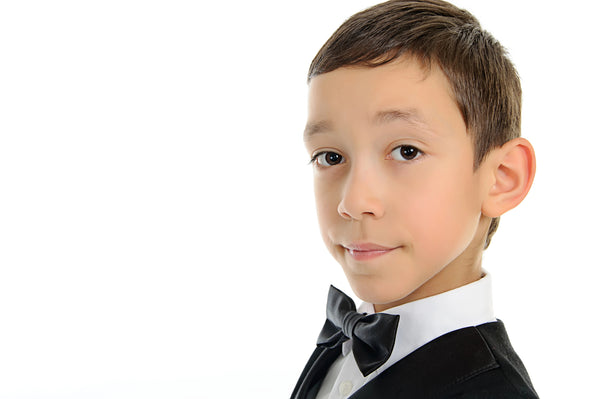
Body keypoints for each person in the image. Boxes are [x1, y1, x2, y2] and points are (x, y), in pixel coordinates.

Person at [291, 0, 539, 398]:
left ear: (501, 178)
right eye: (331, 157)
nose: (353, 202)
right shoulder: (342, 345)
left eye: (406, 151)